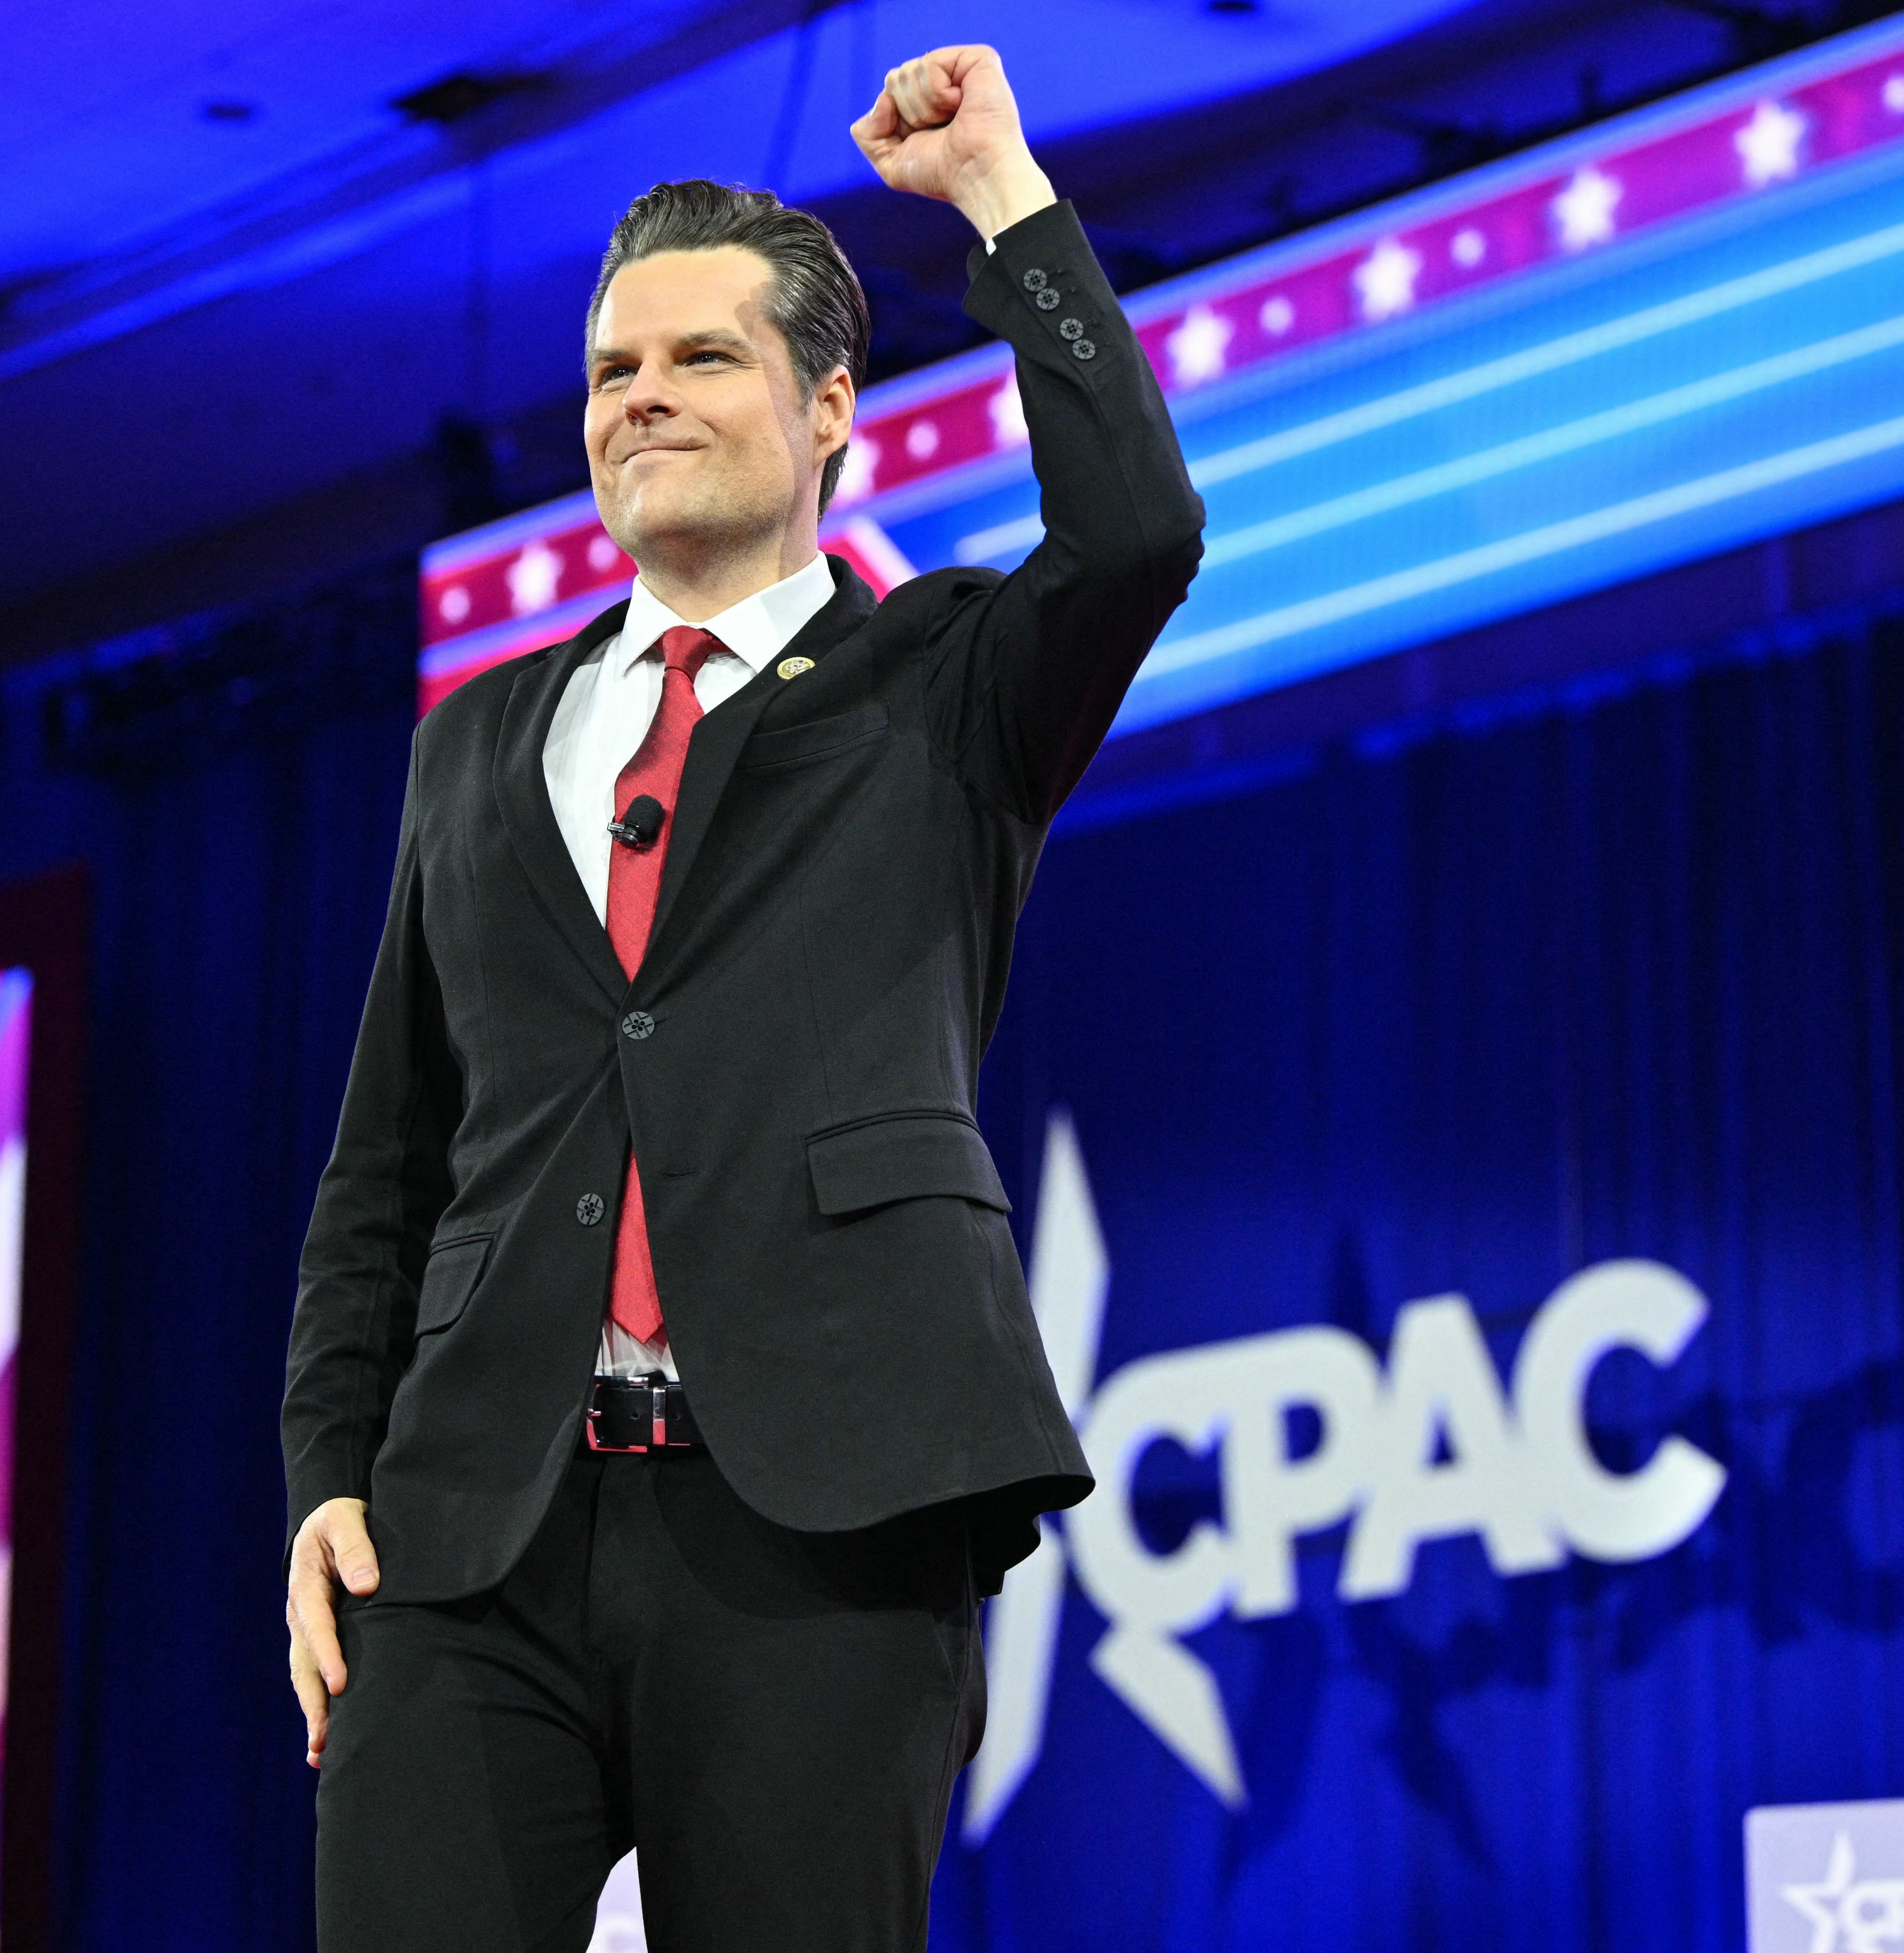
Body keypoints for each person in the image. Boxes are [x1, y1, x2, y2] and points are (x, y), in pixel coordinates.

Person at [280, 43, 1202, 1953]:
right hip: (473, 1530)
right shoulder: (479, 740)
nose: (641, 401)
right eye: (614, 369)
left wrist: (1004, 200)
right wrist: (325, 1481)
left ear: (830, 404)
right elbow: (390, 1154)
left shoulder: (943, 684)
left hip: (820, 1516)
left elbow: (1137, 536)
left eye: (700, 358)